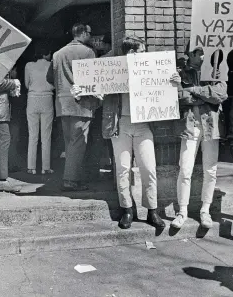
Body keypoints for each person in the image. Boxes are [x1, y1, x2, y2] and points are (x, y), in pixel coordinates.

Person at [96, 36, 165, 230]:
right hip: (121, 125)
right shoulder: (114, 71)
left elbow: (164, 93)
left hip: (143, 125)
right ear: (132, 53)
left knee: (149, 168)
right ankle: (126, 209)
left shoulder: (148, 71)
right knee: (123, 169)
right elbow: (95, 99)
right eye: (142, 51)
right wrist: (84, 93)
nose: (144, 55)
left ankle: (152, 210)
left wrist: (172, 81)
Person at [170, 46, 227, 230]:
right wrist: (205, 96)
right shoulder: (180, 72)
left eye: (204, 53)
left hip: (211, 127)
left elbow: (221, 94)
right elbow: (178, 96)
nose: (203, 56)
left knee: (210, 171)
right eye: (200, 53)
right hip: (190, 125)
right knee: (185, 169)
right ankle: (182, 211)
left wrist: (193, 90)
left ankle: (205, 210)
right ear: (191, 54)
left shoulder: (215, 72)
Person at [53, 23, 101, 191]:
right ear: (82, 33)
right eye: (89, 32)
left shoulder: (57, 54)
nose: (90, 35)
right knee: (78, 143)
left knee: (69, 143)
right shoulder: (87, 52)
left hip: (62, 103)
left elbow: (49, 78)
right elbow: (92, 78)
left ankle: (73, 177)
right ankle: (71, 181)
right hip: (81, 103)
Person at [24, 44, 54, 174]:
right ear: (47, 53)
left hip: (32, 98)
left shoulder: (29, 65)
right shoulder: (51, 65)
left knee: (32, 135)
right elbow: (54, 83)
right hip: (47, 98)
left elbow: (26, 84)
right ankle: (45, 168)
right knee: (46, 135)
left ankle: (31, 167)